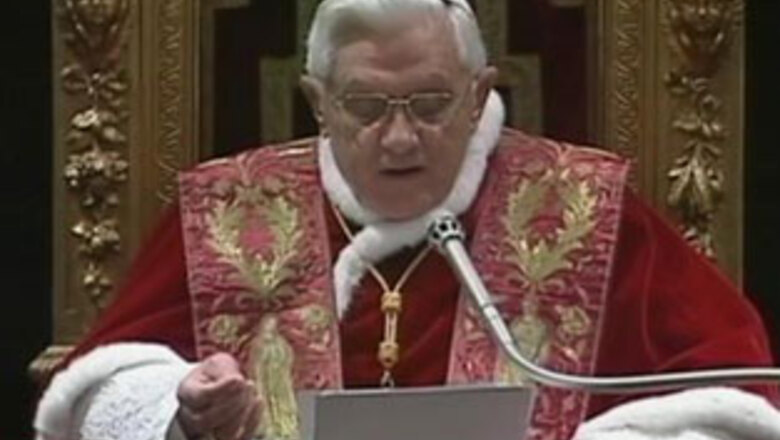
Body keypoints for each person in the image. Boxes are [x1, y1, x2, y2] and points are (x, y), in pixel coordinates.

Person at [34, 1, 780, 439]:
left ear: (480, 92)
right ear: (318, 100)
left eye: (430, 104)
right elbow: (99, 392)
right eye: (365, 106)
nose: (399, 139)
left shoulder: (587, 208)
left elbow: (731, 398)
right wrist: (183, 411)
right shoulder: (225, 211)